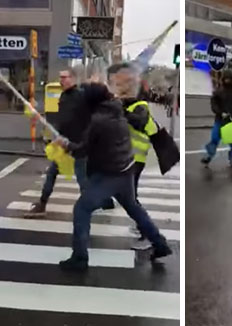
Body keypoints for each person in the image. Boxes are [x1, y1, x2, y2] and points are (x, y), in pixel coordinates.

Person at [57, 69, 172, 273]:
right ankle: (160, 244)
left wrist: (65, 144)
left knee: (82, 209)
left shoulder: (98, 121)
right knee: (133, 207)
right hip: (126, 169)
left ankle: (79, 258)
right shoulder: (115, 109)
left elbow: (82, 150)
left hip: (109, 174)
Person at [25, 69, 115, 218]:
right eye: (60, 77)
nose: (61, 80)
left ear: (73, 78)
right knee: (52, 173)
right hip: (64, 144)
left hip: (79, 145)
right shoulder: (64, 96)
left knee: (83, 179)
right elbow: (64, 119)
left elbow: (96, 109)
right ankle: (42, 203)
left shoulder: (82, 95)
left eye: (64, 77)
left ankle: (94, 204)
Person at [110, 62, 160, 250]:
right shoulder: (129, 104)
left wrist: (121, 110)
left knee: (131, 200)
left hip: (135, 160)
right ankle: (143, 228)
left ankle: (148, 235)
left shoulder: (140, 106)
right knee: (129, 198)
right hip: (127, 158)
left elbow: (138, 122)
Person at [201, 71, 232, 168]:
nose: (227, 81)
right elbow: (214, 104)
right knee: (214, 139)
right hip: (220, 119)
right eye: (226, 79)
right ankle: (209, 156)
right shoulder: (219, 91)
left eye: (229, 79)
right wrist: (220, 112)